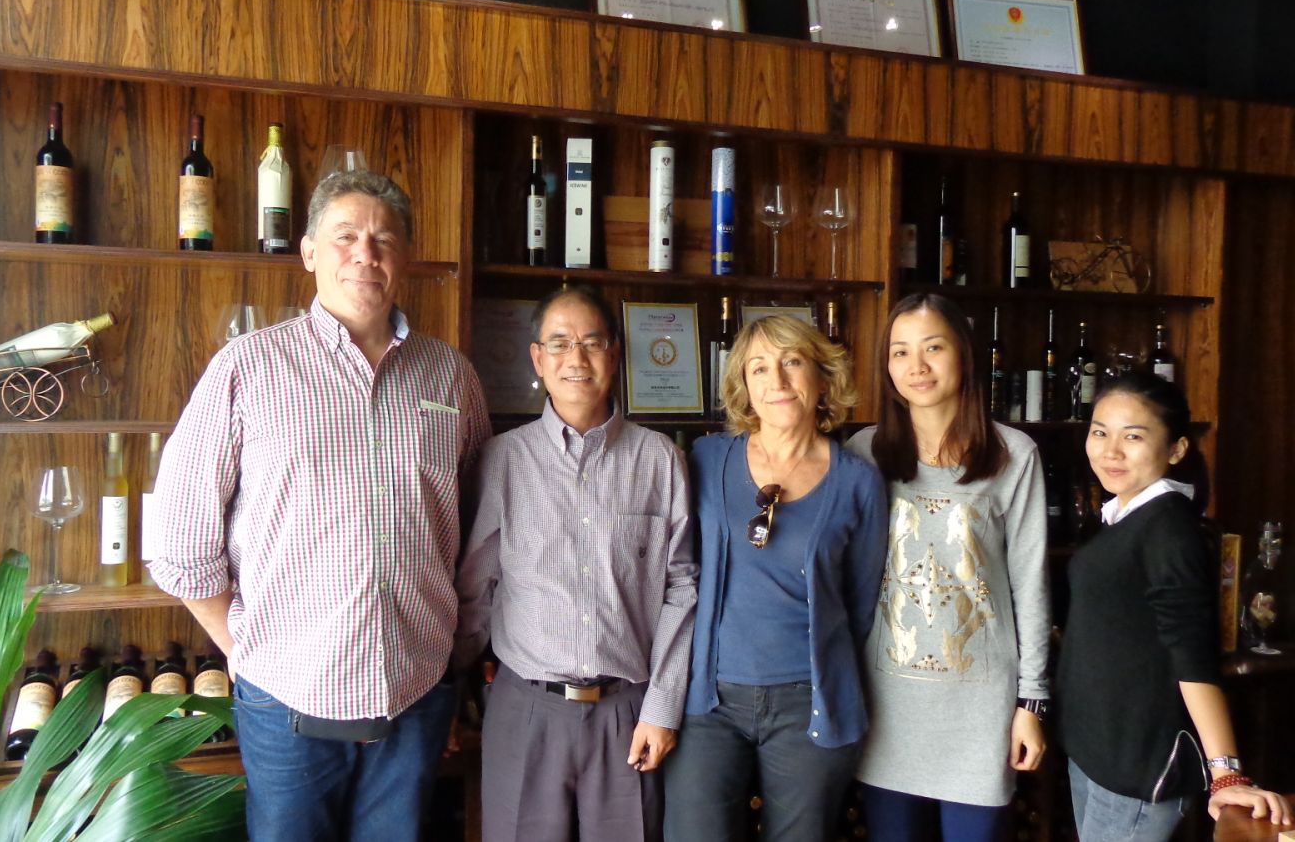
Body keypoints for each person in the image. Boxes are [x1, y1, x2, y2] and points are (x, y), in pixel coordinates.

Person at [151, 169, 491, 841]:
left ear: (405, 258)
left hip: (417, 695)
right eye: (345, 236)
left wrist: (453, 663)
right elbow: (181, 539)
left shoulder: (451, 376)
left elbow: (480, 529)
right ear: (308, 252)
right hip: (287, 702)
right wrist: (244, 650)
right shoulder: (248, 368)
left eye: (384, 239)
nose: (365, 254)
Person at [453, 286, 697, 842]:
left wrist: (662, 708)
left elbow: (681, 589)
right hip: (526, 708)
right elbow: (474, 591)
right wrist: (450, 692)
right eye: (560, 343)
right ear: (538, 359)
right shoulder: (503, 460)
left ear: (615, 354)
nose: (576, 358)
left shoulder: (660, 460)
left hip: (629, 713)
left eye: (591, 342)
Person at [664, 315, 888, 842]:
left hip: (808, 705)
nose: (778, 381)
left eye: (792, 362)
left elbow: (860, 605)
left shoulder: (858, 481)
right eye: (759, 368)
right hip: (708, 702)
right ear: (743, 384)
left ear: (822, 378)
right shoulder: (705, 460)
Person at [845, 293, 1051, 841]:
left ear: (964, 354)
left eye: (933, 348)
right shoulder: (863, 453)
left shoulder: (1014, 454)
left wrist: (1031, 703)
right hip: (886, 704)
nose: (917, 366)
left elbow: (1030, 584)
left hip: (980, 709)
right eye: (900, 352)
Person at [1059, 372, 1292, 840]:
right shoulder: (1126, 515)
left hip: (1138, 767)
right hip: (1099, 753)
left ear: (1177, 449)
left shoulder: (1169, 530)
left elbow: (1193, 658)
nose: (1110, 451)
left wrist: (1226, 774)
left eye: (1133, 437)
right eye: (1100, 432)